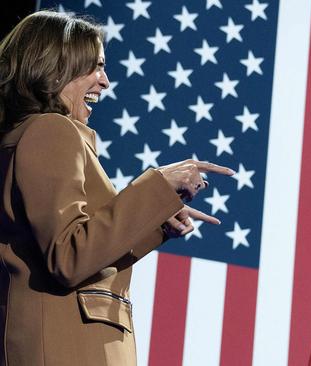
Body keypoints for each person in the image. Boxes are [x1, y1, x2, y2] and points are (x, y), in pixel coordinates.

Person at [0, 11, 233, 365]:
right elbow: (68, 258)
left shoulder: (35, 134)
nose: (105, 81)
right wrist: (158, 184)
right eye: (94, 67)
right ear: (54, 66)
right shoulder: (51, 130)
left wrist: (156, 219)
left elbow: (84, 254)